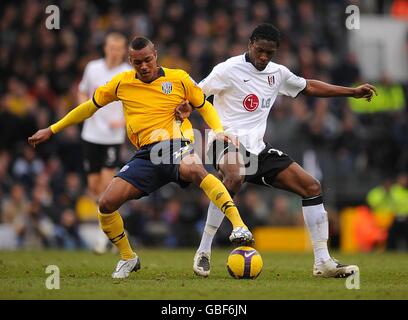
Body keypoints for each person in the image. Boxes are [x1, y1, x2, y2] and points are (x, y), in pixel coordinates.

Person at [28, 36, 253, 279]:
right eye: (137, 62)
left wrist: (218, 130)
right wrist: (52, 129)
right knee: (106, 204)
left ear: (155, 54)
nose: (144, 66)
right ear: (130, 61)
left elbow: (204, 106)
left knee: (196, 170)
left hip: (174, 143)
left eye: (147, 60)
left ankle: (238, 225)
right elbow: (89, 107)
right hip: (145, 155)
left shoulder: (178, 78)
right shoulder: (121, 83)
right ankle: (128, 257)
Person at [182, 23, 377, 278]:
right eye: (260, 51)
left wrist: (351, 92)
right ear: (250, 44)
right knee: (234, 175)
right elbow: (197, 94)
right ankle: (204, 251)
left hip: (258, 150)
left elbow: (309, 86)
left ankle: (323, 262)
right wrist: (184, 110)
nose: (264, 57)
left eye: (269, 53)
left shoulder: (277, 73)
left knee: (312, 187)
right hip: (225, 141)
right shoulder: (227, 70)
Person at [77, 32, 131, 254]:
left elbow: (135, 102)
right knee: (93, 187)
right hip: (91, 135)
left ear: (123, 51)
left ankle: (104, 239)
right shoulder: (92, 68)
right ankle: (113, 231)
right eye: (111, 47)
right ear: (105, 48)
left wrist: (124, 120)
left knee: (107, 186)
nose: (114, 51)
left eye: (118, 48)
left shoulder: (127, 73)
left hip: (112, 138)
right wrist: (84, 109)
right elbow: (81, 91)